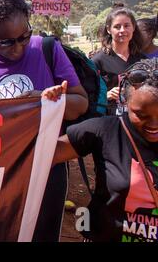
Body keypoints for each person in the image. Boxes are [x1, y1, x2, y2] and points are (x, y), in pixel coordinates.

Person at [0, 0, 89, 242]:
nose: (18, 48)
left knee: (42, 234)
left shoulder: (47, 49)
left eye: (24, 36)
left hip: (47, 166)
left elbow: (80, 104)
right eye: (6, 41)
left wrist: (47, 100)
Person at [52, 58, 158, 242]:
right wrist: (46, 110)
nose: (154, 125)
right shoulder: (105, 131)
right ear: (124, 101)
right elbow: (41, 154)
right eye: (141, 114)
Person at [91, 3, 145, 115]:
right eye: (117, 26)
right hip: (109, 120)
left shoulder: (143, 60)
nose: (122, 30)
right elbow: (87, 96)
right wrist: (106, 95)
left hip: (138, 119)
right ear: (109, 29)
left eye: (127, 25)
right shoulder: (98, 61)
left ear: (134, 27)